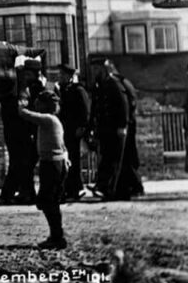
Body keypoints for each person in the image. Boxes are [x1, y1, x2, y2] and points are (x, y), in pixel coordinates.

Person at [0, 59, 44, 204]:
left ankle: (26, 193)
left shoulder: (35, 88)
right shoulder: (17, 88)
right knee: (19, 162)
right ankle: (11, 192)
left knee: (24, 163)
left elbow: (31, 109)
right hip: (16, 130)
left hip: (26, 131)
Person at [18, 90, 69, 249]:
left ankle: (57, 237)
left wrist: (21, 101)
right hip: (53, 164)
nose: (36, 104)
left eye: (39, 101)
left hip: (52, 165)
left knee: (48, 202)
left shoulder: (48, 119)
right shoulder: (53, 120)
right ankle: (56, 235)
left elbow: (24, 114)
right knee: (48, 201)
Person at [89, 58, 142, 200]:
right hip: (106, 129)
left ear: (104, 69)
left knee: (113, 160)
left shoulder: (113, 83)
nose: (94, 72)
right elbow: (96, 109)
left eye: (97, 69)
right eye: (93, 69)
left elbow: (123, 104)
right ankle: (108, 187)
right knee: (110, 158)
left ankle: (108, 189)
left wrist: (122, 125)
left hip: (115, 129)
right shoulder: (100, 85)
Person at [56, 64, 91, 200]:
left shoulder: (78, 90)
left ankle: (76, 189)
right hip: (66, 131)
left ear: (70, 77)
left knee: (74, 161)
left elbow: (85, 110)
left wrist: (82, 127)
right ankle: (70, 188)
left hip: (74, 131)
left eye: (63, 75)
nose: (60, 77)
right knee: (68, 160)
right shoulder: (63, 90)